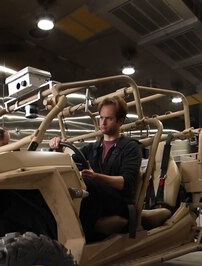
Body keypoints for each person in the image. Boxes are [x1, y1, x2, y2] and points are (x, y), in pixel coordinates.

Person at [49, 96, 142, 241]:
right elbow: (69, 161)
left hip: (120, 202)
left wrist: (96, 176)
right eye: (101, 117)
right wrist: (57, 148)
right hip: (97, 196)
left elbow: (126, 182)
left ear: (120, 121)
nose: (103, 122)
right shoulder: (92, 148)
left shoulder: (130, 147)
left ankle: (82, 242)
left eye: (109, 118)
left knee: (88, 190)